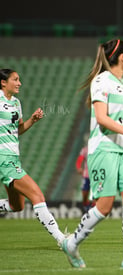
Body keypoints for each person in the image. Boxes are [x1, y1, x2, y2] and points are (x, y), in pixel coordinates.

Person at [60, 39, 123, 269]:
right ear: (121, 57)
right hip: (106, 147)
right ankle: (71, 243)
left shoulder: (122, 83)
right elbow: (102, 119)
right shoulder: (102, 81)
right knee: (104, 206)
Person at [0, 68, 66, 247]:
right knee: (37, 195)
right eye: (15, 79)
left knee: (17, 206)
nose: (19, 83)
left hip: (13, 157)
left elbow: (18, 130)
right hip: (3, 159)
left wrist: (33, 120)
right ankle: (62, 239)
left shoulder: (15, 103)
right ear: (3, 82)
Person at [75, 143, 93, 213]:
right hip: (86, 175)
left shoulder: (99, 148)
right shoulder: (85, 149)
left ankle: (93, 209)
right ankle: (86, 206)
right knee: (85, 193)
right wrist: (79, 167)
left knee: (96, 193)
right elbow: (80, 159)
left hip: (96, 175)